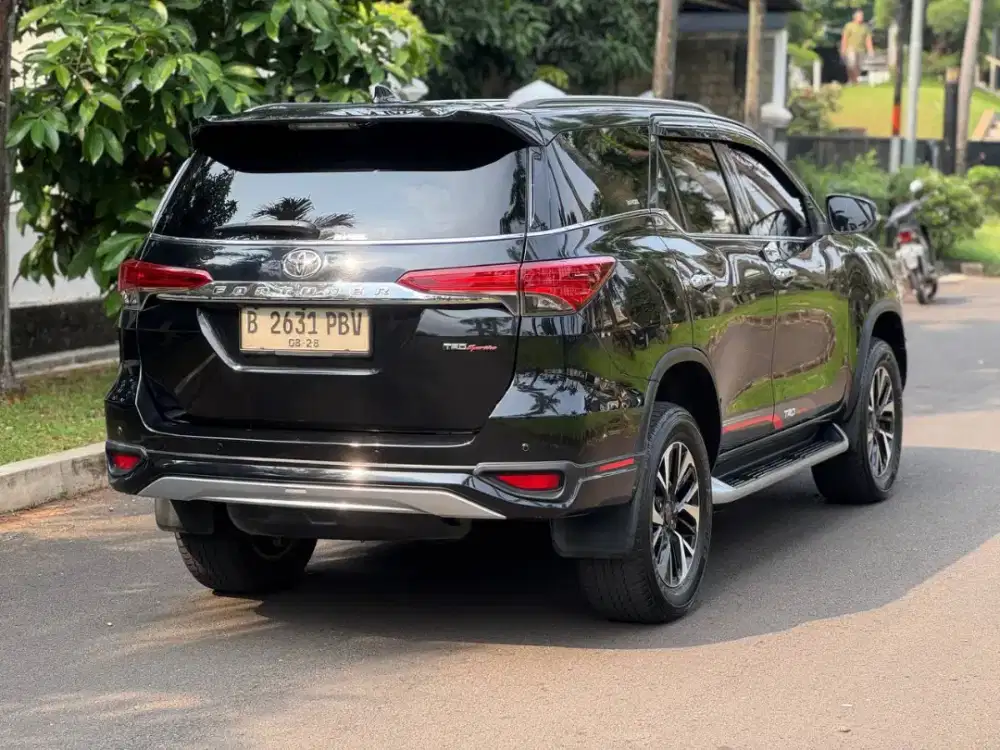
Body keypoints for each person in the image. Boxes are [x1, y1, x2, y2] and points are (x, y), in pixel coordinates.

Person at [841, 9, 874, 84]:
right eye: (860, 16)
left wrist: (870, 50)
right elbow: (844, 38)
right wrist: (843, 49)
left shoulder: (865, 27)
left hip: (861, 50)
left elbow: (868, 39)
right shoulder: (849, 26)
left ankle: (855, 81)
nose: (861, 17)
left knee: (859, 66)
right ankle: (851, 80)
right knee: (851, 65)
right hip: (850, 49)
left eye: (862, 16)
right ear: (855, 17)